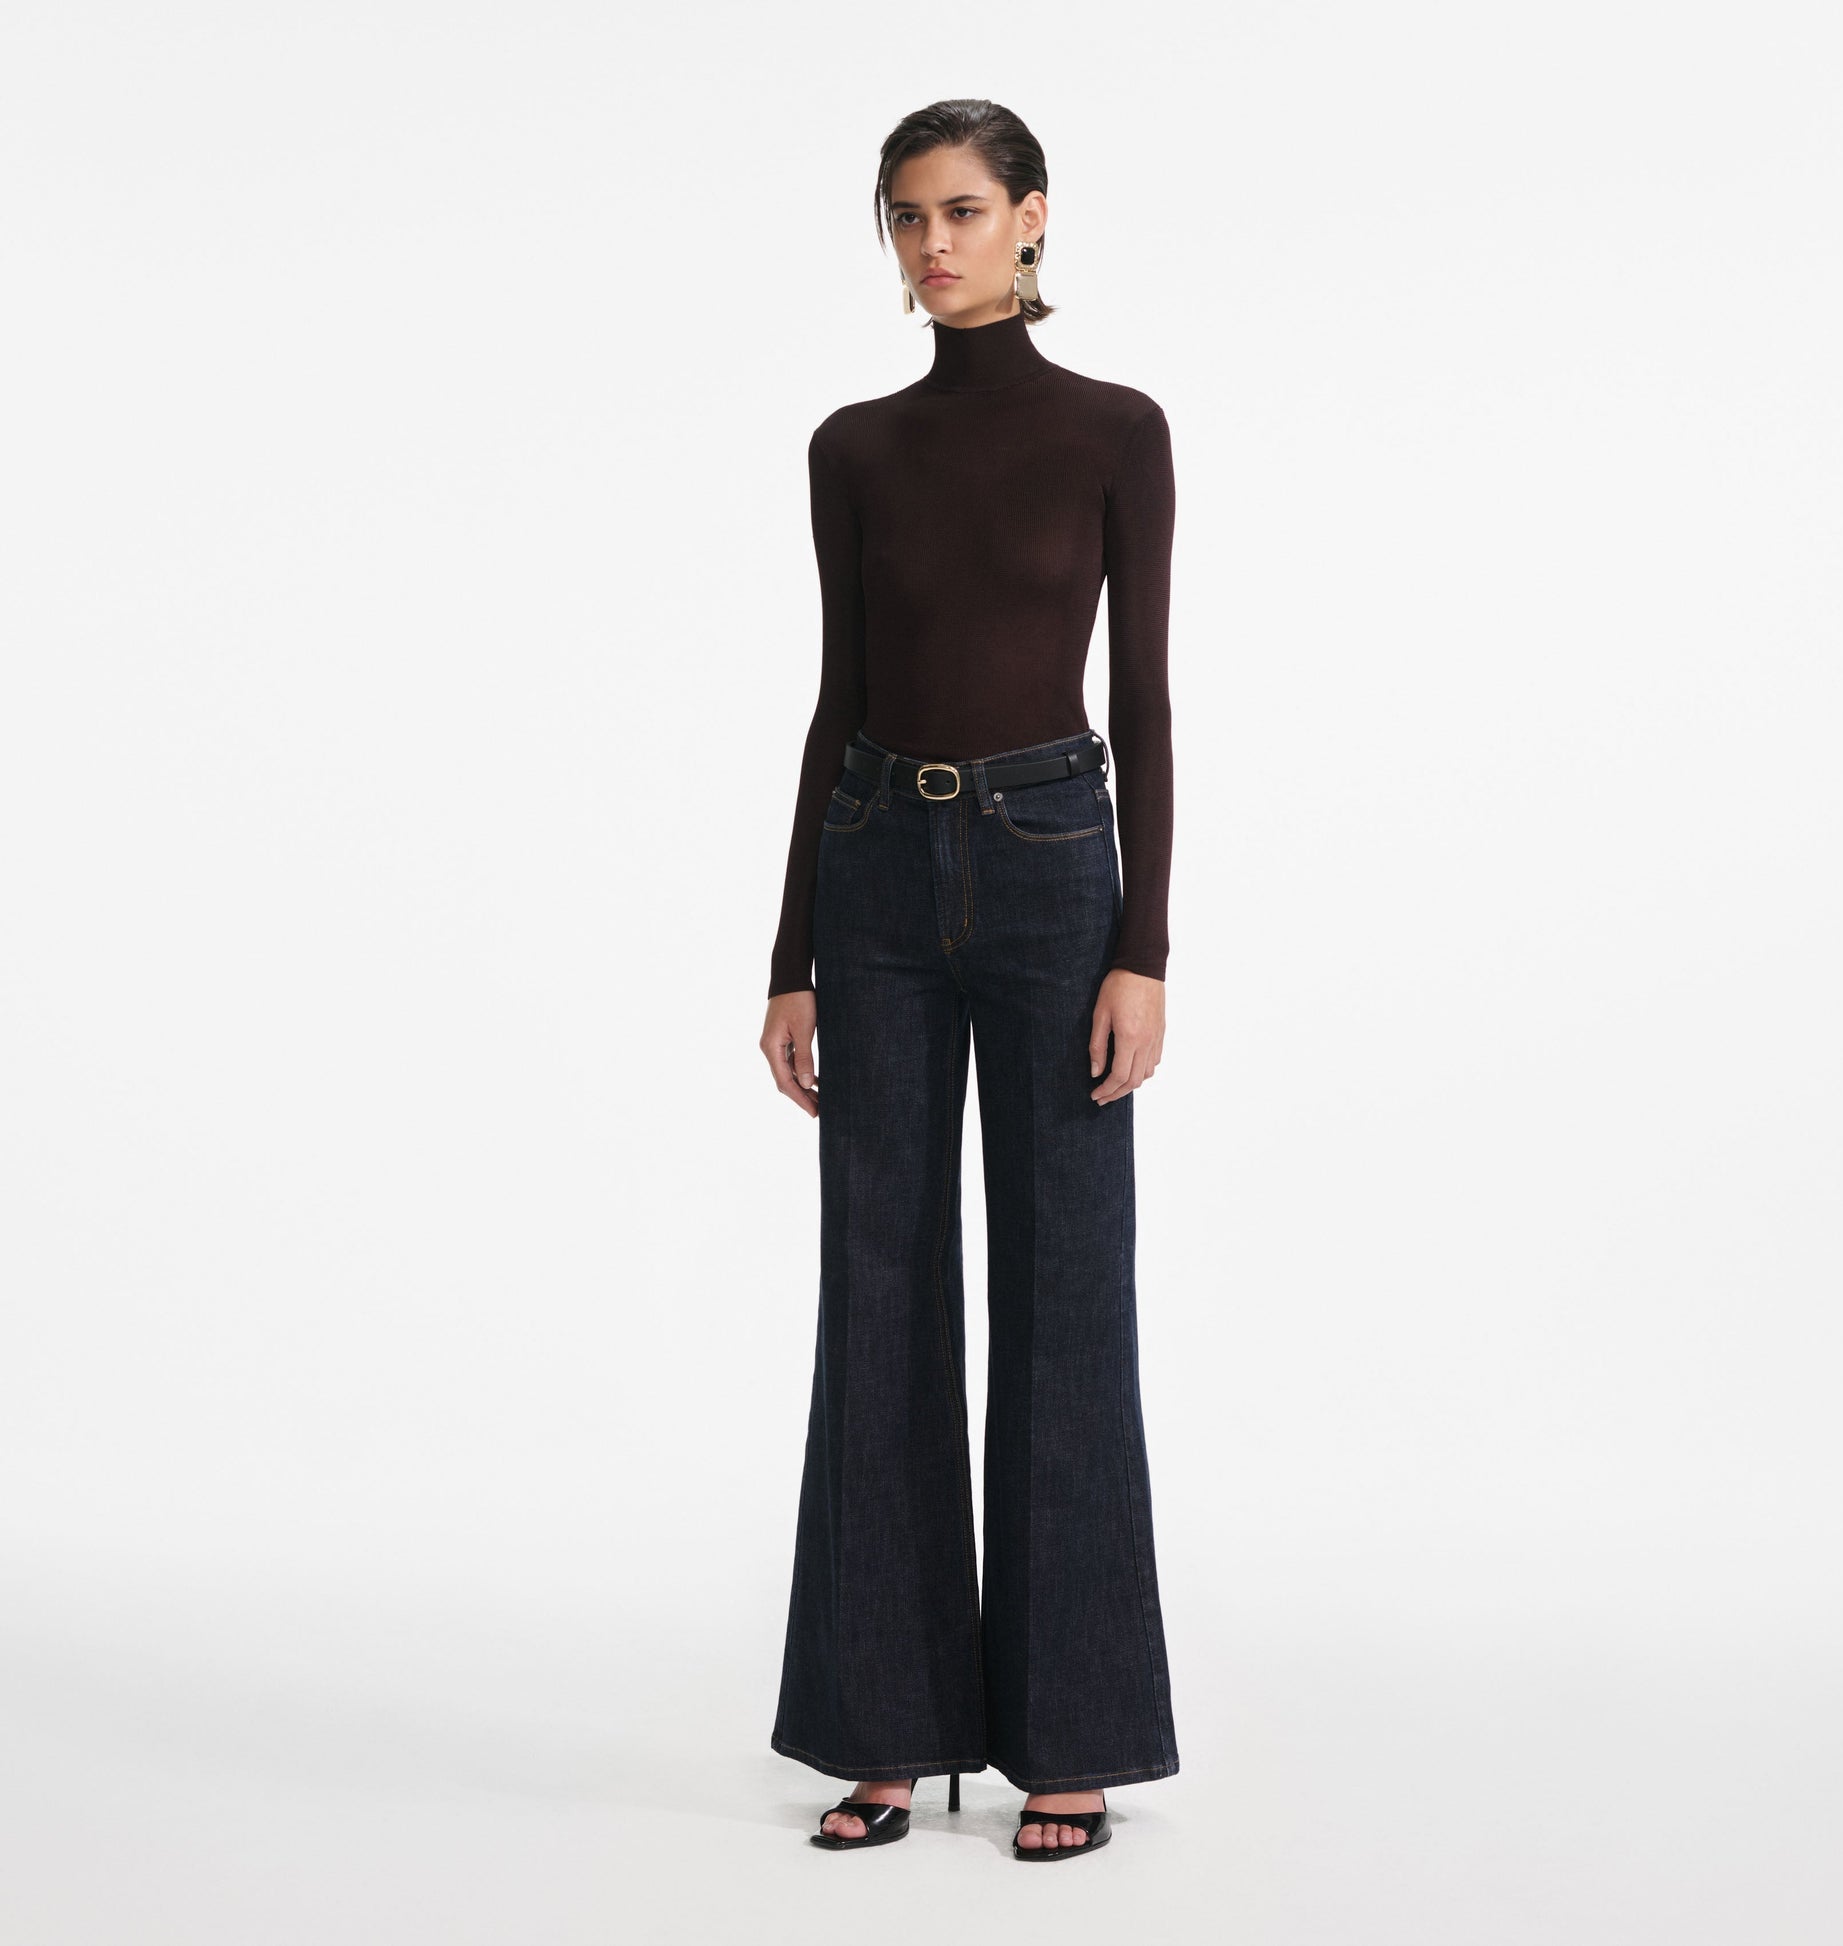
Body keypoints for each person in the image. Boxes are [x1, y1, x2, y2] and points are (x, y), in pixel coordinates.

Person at [758, 98, 1180, 1863]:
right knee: (877, 1290)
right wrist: (789, 954)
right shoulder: (852, 446)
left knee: (1067, 1290)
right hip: (872, 867)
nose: (929, 243)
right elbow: (838, 694)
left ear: (1030, 219)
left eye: (959, 210)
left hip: (1048, 861)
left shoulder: (1113, 430)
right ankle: (883, 1720)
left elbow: (1142, 697)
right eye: (903, 216)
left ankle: (1068, 1732)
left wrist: (1142, 945)